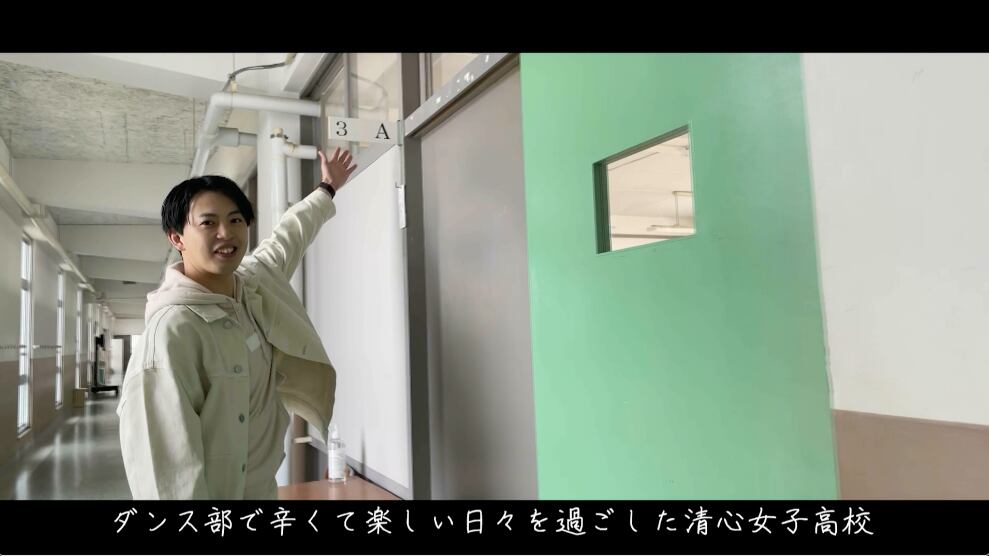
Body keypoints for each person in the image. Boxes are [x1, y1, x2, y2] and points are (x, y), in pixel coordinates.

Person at [117, 148, 357, 499]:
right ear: (177, 238)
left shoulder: (252, 283)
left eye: (235, 220)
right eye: (208, 223)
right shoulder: (172, 333)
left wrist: (327, 188)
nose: (225, 233)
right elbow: (163, 474)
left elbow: (289, 236)